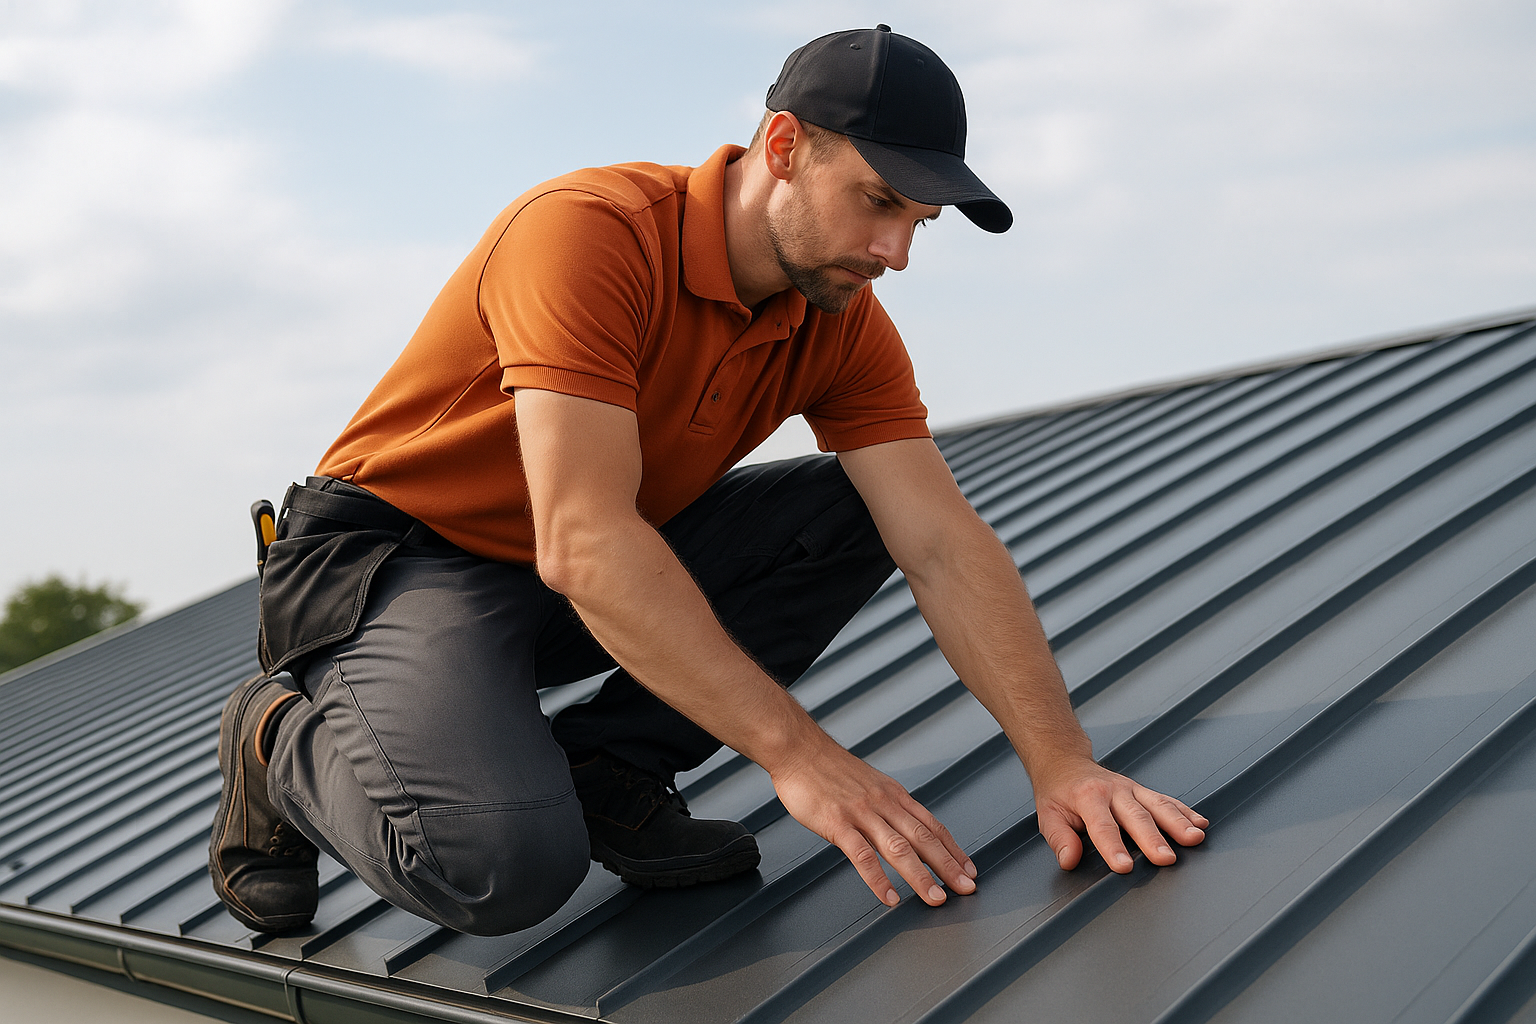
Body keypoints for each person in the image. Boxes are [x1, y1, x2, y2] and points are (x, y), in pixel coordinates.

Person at [209, 25, 1207, 937]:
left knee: (857, 507)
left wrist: (1061, 760)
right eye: (879, 203)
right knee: (500, 869)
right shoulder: (588, 236)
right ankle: (270, 740)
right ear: (783, 149)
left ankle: (614, 767)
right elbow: (586, 541)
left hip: (569, 567)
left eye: (921, 223)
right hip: (397, 562)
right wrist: (801, 759)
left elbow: (941, 542)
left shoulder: (840, 321)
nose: (896, 253)